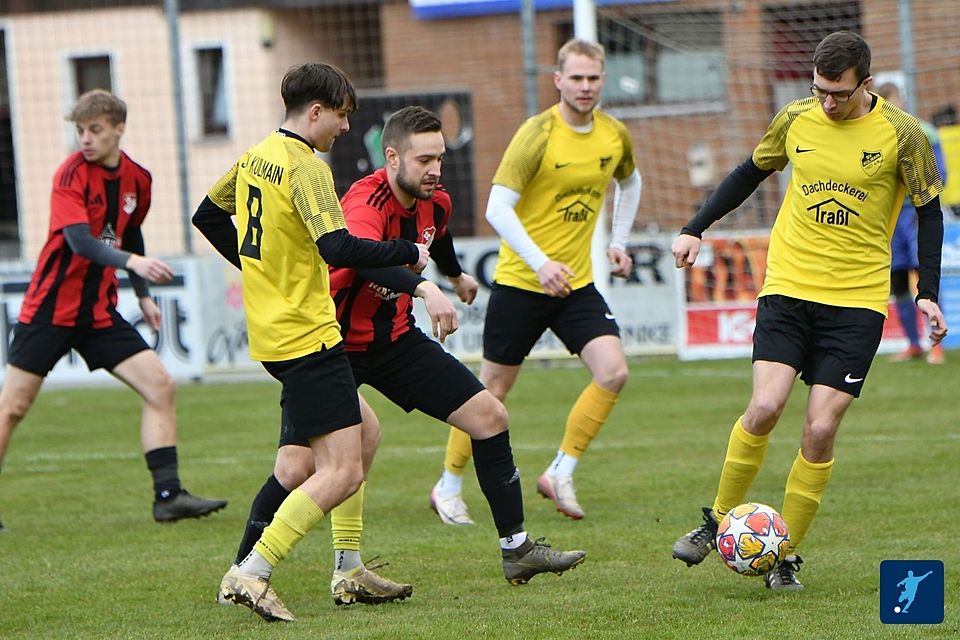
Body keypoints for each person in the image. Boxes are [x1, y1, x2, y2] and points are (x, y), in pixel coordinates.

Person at [213, 106, 587, 610]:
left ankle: (515, 549)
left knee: (488, 416)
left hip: (392, 342)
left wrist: (455, 276)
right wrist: (423, 285)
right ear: (392, 157)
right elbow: (359, 253)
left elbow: (437, 235)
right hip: (332, 345)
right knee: (297, 467)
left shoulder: (436, 201)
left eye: (440, 158)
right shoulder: (365, 202)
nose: (435, 169)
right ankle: (242, 574)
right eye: (424, 159)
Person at [670, 31, 946, 591]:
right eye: (818, 90)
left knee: (819, 429)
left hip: (856, 303)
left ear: (865, 84)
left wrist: (927, 291)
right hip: (789, 287)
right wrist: (694, 227)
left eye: (838, 93)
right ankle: (718, 518)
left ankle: (783, 556)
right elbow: (750, 172)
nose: (826, 102)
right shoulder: (795, 118)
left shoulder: (904, 133)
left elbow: (930, 211)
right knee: (765, 408)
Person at [192, 62, 436, 623]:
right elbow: (337, 246)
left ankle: (348, 568)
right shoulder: (306, 166)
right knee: (340, 470)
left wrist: (258, 270)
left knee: (360, 434)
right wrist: (407, 255)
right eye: (343, 116)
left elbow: (209, 214)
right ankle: (251, 572)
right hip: (307, 334)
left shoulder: (255, 157)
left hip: (276, 329)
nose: (347, 129)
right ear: (317, 111)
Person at [431, 38, 641, 524]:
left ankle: (561, 472)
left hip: (576, 285)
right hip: (523, 284)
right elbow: (496, 208)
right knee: (489, 394)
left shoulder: (614, 135)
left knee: (613, 371)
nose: (585, 87)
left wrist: (620, 241)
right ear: (559, 80)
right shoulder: (537, 134)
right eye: (577, 78)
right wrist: (541, 262)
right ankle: (448, 485)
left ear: (602, 80)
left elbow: (630, 182)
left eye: (593, 78)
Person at [0, 90, 227, 533]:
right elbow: (80, 241)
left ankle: (168, 496)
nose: (85, 139)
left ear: (119, 129)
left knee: (160, 386)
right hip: (49, 309)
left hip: (98, 313)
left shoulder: (137, 179)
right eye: (80, 130)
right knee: (11, 408)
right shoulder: (70, 175)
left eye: (95, 130)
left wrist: (141, 292)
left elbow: (127, 233)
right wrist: (133, 264)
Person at [874, 82, 948, 365]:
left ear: (900, 101)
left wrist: (921, 201)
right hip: (889, 219)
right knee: (898, 280)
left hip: (916, 215)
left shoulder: (923, 132)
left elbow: (939, 174)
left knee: (924, 275)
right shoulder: (875, 134)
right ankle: (913, 344)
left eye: (891, 102)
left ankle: (936, 345)